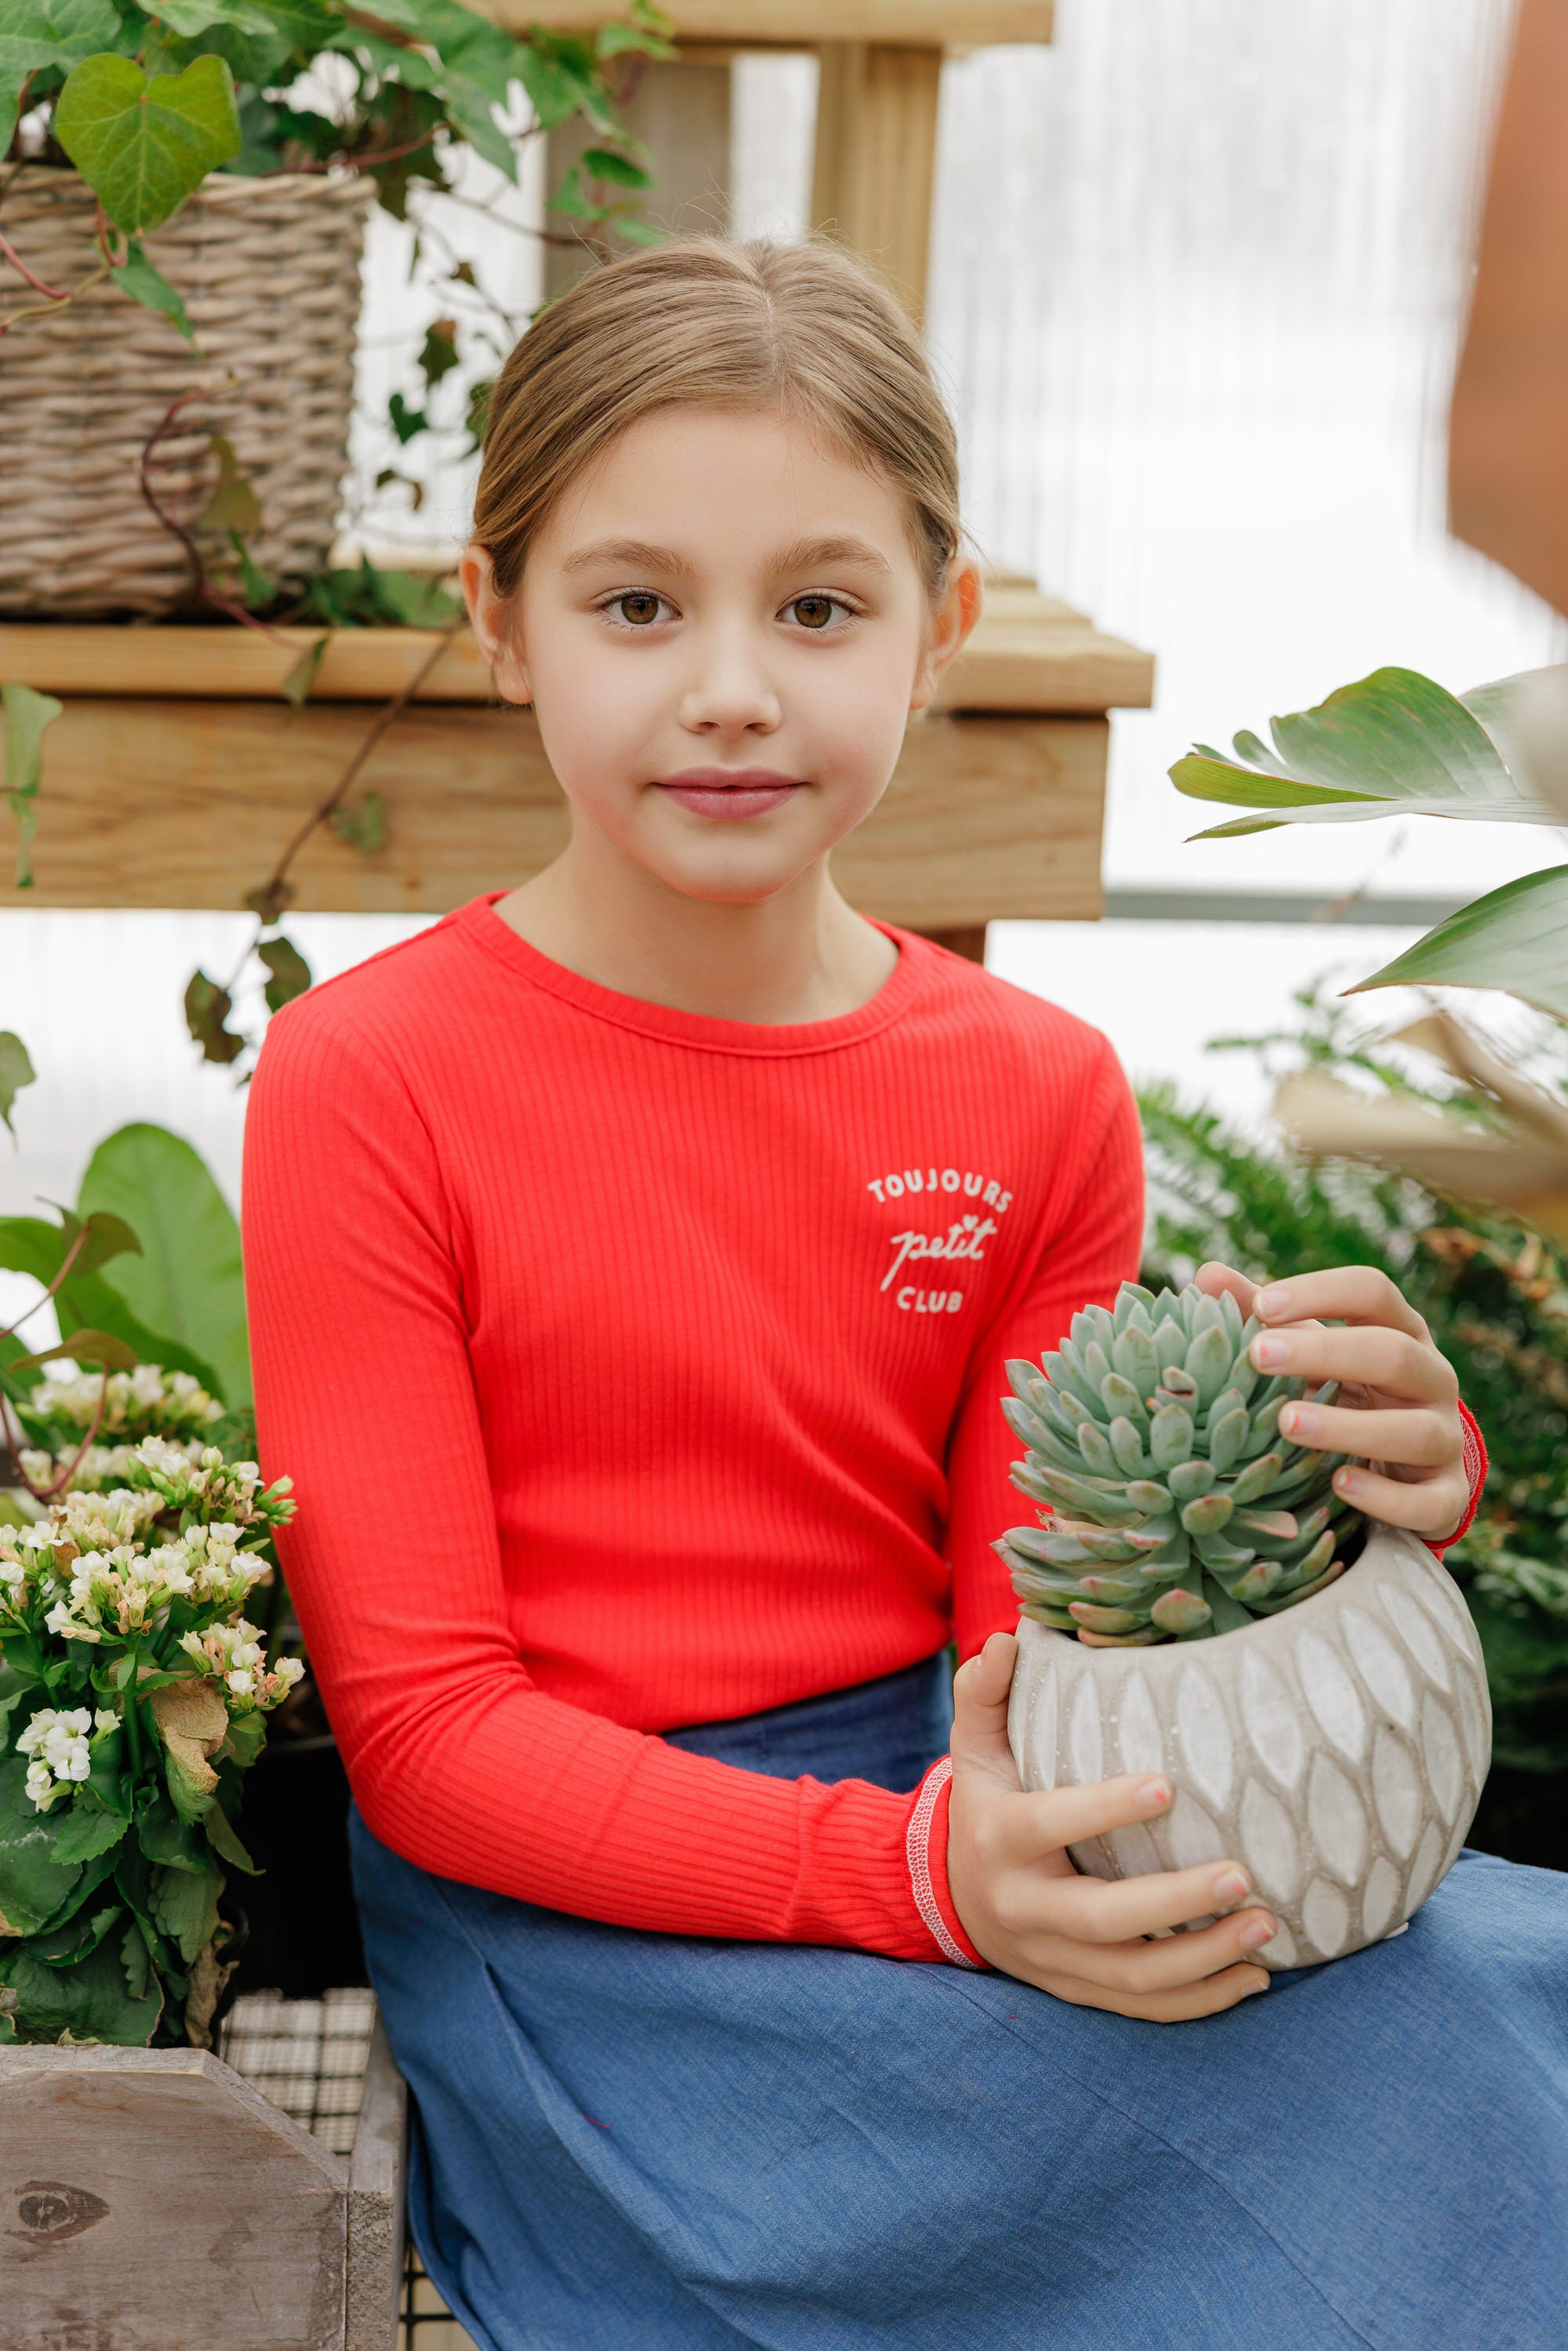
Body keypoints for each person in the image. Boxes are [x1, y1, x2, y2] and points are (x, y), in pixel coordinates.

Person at [243, 238, 1567, 2349]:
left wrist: (1367, 1493)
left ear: (938, 630)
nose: (735, 687)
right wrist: (927, 1885)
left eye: (821, 606)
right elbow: (430, 1738)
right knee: (1356, 2135)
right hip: (607, 1929)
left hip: (969, 1799)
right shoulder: (368, 1082)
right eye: (638, 603)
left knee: (1481, 2020)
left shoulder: (1028, 1087)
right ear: (497, 622)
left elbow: (1042, 1633)